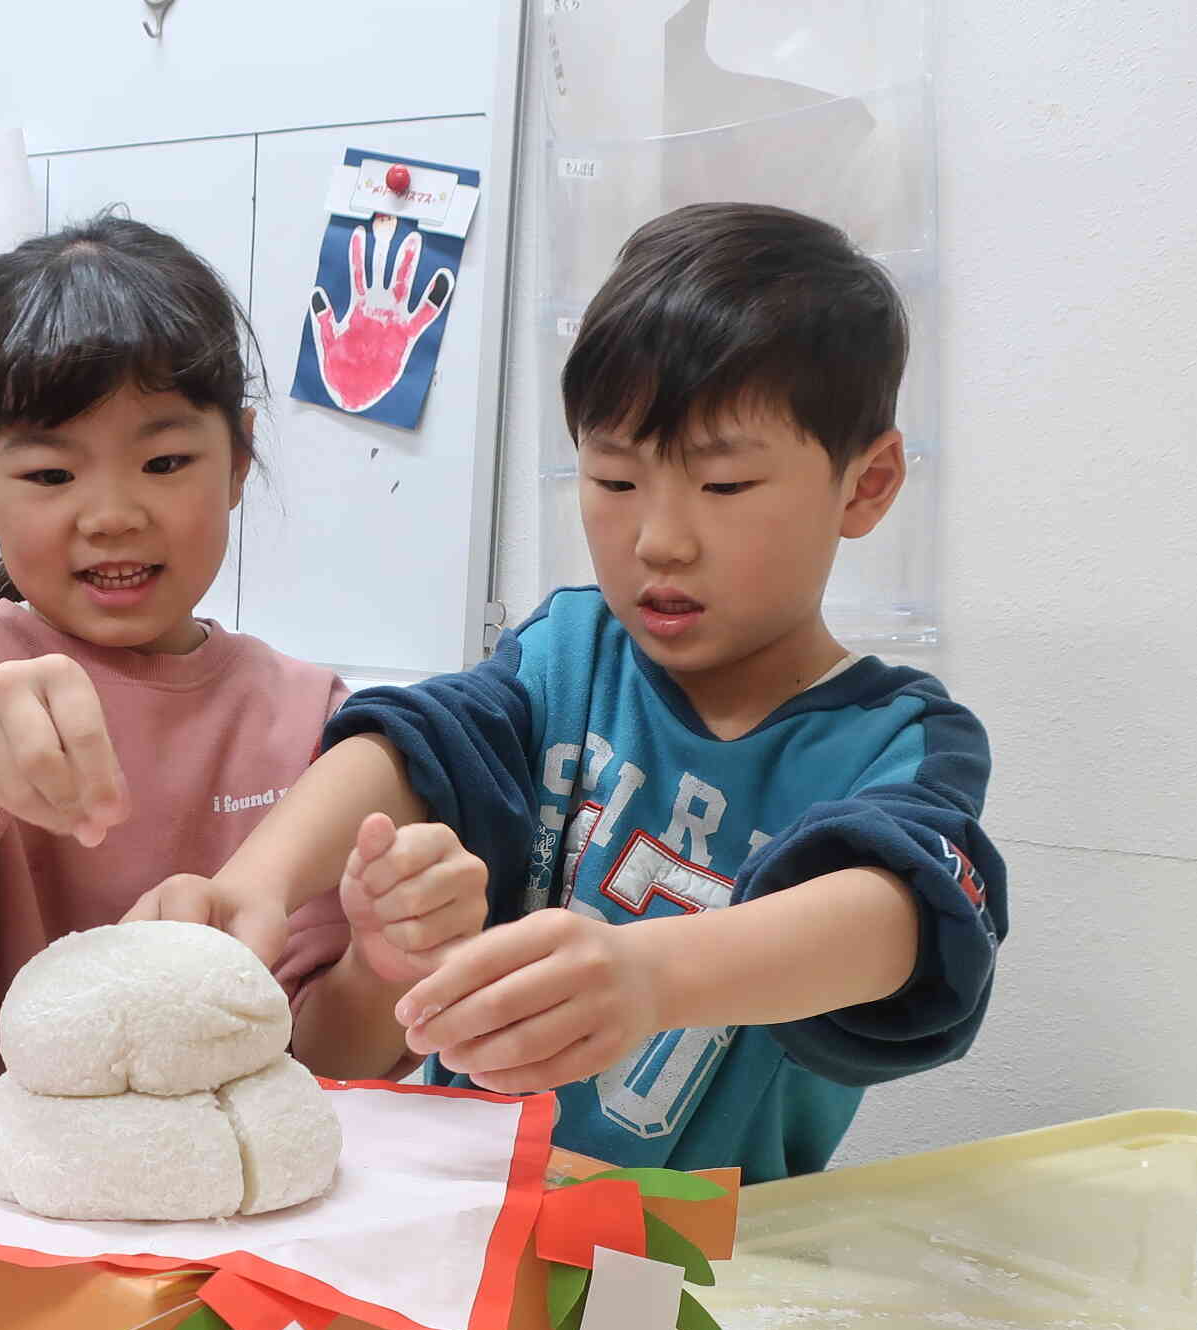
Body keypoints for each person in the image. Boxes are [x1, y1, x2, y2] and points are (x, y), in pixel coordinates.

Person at [136, 203, 1008, 1182]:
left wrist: (649, 979)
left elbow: (903, 918)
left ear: (868, 484)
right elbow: (418, 741)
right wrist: (254, 884)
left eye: (723, 488)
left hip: (710, 1265)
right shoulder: (571, 651)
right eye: (614, 478)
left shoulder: (897, 738)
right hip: (467, 1225)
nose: (659, 539)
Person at [0, 215, 488, 1099]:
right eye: (50, 475)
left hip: (218, 1219)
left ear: (238, 461)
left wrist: (383, 972)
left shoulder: (306, 717)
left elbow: (312, 1061)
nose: (112, 513)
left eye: (163, 461)